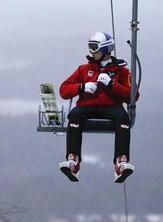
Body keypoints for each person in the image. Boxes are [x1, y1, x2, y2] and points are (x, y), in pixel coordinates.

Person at [58, 32, 139, 183]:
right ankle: (73, 160)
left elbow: (133, 96)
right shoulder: (84, 69)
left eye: (95, 48)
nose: (92, 52)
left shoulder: (121, 71)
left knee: (123, 118)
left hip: (111, 106)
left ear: (106, 49)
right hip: (88, 106)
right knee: (75, 115)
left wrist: (112, 84)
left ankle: (121, 161)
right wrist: (82, 87)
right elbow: (64, 90)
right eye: (90, 47)